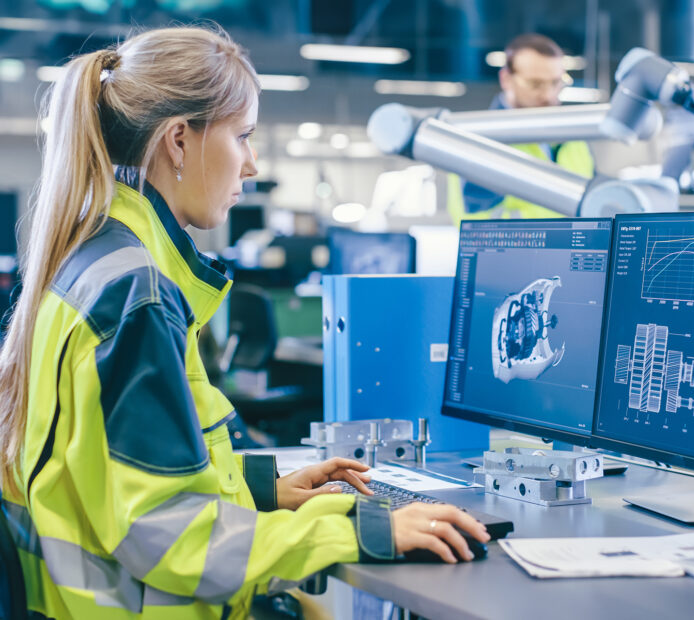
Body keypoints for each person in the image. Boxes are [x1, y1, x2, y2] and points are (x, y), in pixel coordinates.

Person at [0, 25, 488, 620]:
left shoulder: (93, 260)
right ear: (179, 141)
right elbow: (171, 537)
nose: (252, 165)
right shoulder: (139, 294)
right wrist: (362, 531)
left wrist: (262, 490)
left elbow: (120, 479)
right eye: (243, 136)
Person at [448, 33, 595, 222]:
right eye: (535, 84)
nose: (548, 95)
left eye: (555, 83)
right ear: (506, 79)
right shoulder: (481, 142)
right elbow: (473, 225)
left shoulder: (575, 139)